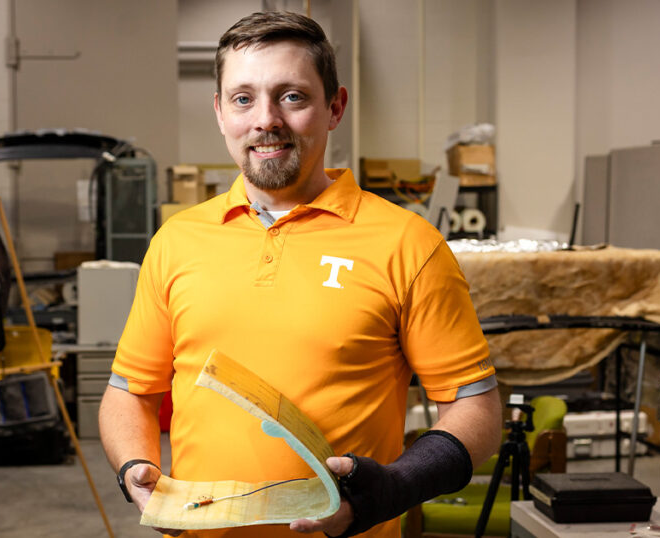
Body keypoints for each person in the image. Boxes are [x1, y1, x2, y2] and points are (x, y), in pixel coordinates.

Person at [99, 10, 501, 538]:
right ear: (220, 112)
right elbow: (131, 390)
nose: (266, 119)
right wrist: (135, 470)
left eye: (292, 96)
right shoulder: (177, 240)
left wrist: (396, 485)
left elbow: (478, 407)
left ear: (335, 107)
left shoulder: (407, 244)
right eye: (243, 99)